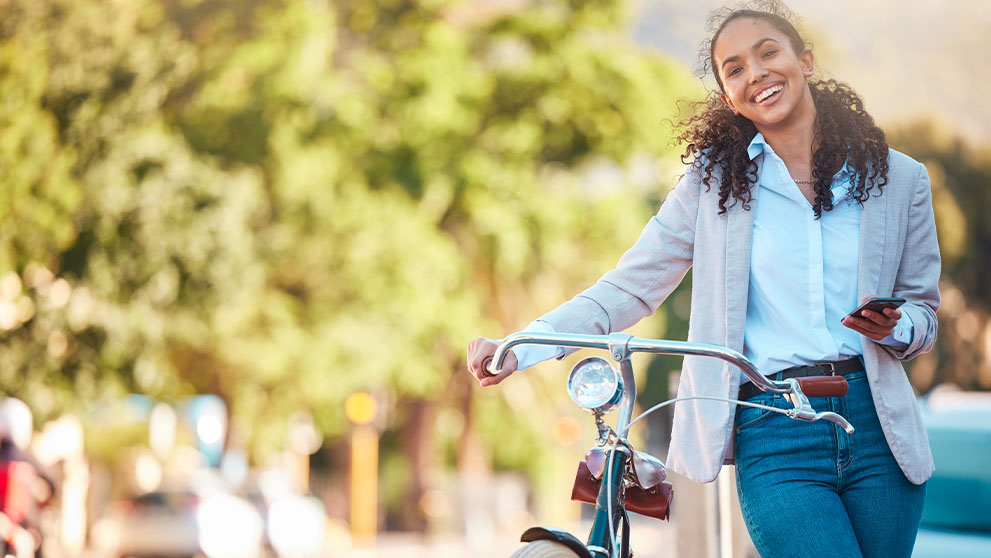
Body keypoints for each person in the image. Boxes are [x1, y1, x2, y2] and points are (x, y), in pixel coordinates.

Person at [465, 2, 940, 557]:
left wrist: (895, 325)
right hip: (774, 424)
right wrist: (521, 346)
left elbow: (925, 317)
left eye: (768, 53)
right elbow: (630, 287)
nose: (755, 73)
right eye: (734, 68)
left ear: (805, 60)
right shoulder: (712, 188)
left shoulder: (900, 179)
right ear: (726, 98)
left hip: (878, 428)